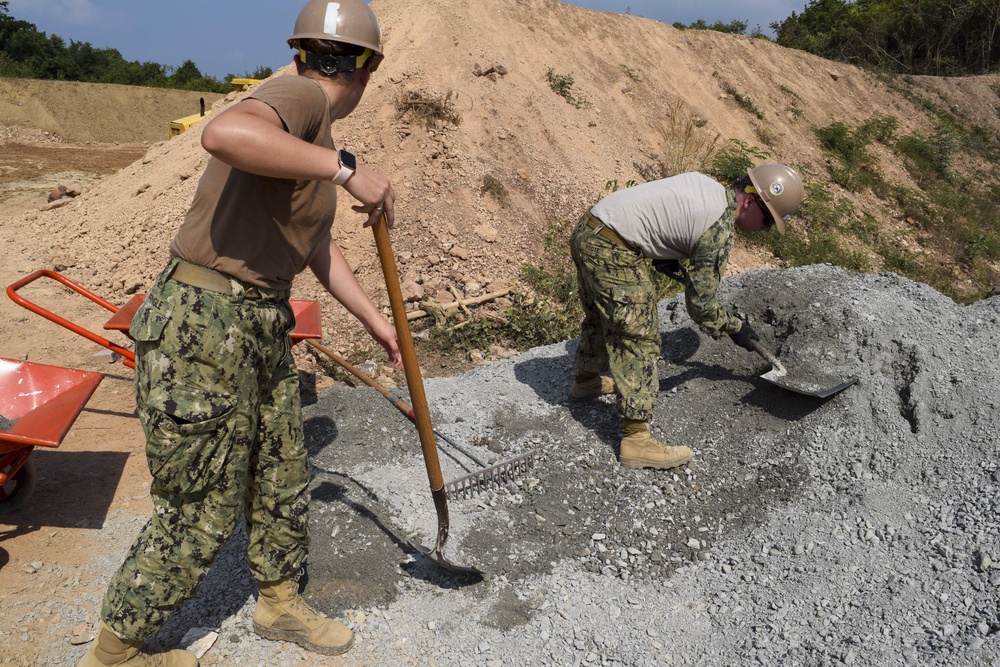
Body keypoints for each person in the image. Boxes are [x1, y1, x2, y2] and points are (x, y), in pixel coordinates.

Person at [77, 1, 401, 665]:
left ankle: (279, 601)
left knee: (280, 470)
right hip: (205, 325)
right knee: (199, 506)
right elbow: (223, 133)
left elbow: (313, 244)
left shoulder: (307, 133)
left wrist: (375, 321)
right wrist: (345, 166)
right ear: (364, 72)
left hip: (256, 321)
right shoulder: (301, 98)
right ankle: (115, 650)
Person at [568, 164, 804, 471]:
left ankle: (586, 382)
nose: (767, 229)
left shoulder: (706, 187)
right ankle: (636, 442)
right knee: (639, 336)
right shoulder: (718, 229)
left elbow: (660, 215)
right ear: (749, 200)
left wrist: (663, 253)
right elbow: (701, 306)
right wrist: (735, 328)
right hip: (613, 248)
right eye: (767, 220)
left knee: (603, 316)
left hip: (590, 229)